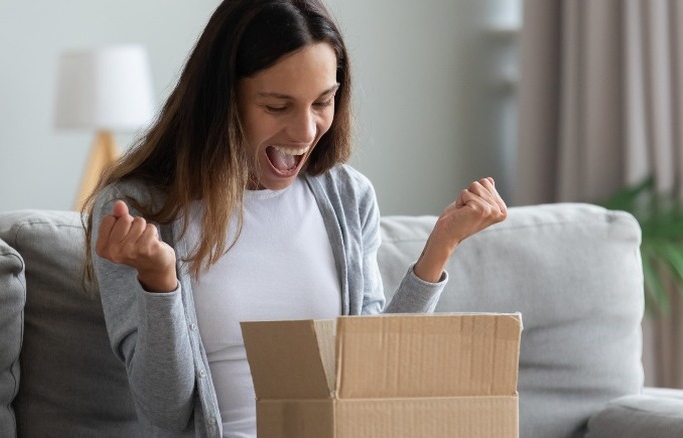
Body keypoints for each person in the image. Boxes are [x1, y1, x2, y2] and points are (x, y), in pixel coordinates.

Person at [82, 0, 507, 436]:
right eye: (277, 106)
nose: (306, 132)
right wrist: (160, 281)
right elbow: (164, 415)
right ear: (223, 100)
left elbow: (372, 387)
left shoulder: (348, 197)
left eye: (323, 102)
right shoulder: (140, 212)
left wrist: (441, 248)